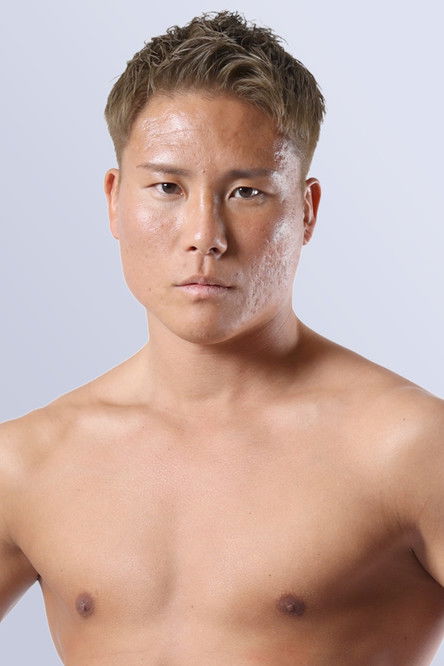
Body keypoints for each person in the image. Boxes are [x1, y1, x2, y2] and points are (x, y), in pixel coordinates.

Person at [1, 9, 443, 665]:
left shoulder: (411, 449)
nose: (204, 235)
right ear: (114, 200)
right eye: (167, 187)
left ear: (307, 210)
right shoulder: (27, 463)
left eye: (245, 192)